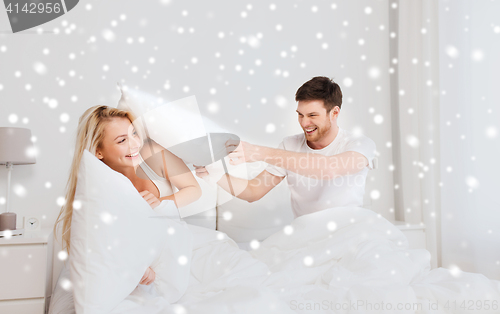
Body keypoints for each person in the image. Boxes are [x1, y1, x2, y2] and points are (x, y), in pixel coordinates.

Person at [53, 105, 202, 286]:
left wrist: (160, 203)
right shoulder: (100, 182)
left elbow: (194, 189)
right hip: (134, 247)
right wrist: (135, 263)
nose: (134, 144)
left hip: (170, 240)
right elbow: (107, 234)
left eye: (134, 134)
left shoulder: (153, 153)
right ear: (98, 151)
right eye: (122, 140)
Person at [195, 76, 376, 218]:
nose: (305, 123)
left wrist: (258, 152)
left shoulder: (359, 144)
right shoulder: (290, 145)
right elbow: (253, 191)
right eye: (300, 115)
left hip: (348, 233)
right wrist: (217, 175)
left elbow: (328, 169)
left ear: (334, 113)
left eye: (312, 115)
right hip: (308, 236)